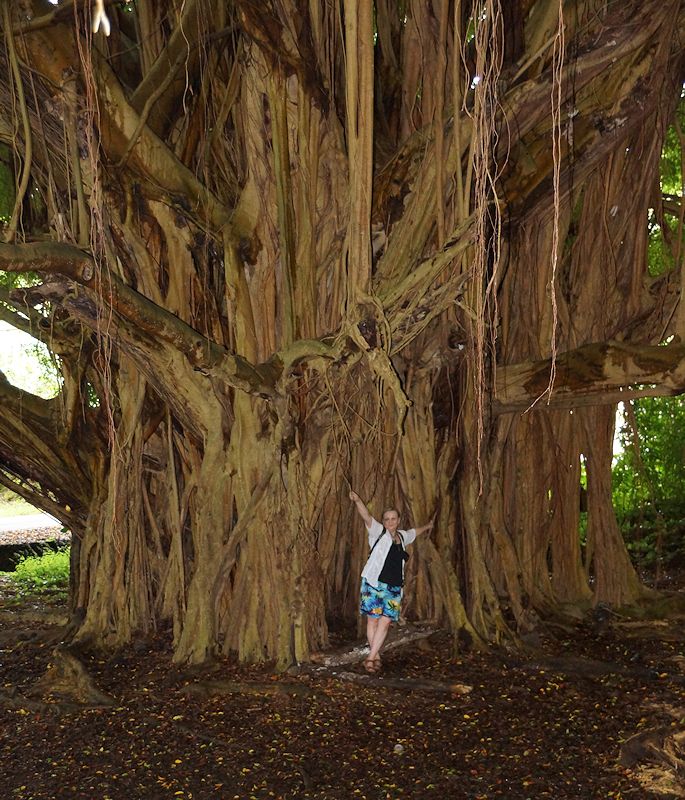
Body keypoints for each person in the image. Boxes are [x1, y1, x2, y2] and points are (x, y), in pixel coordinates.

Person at [349, 490, 434, 673]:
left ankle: (371, 656)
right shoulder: (378, 532)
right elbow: (366, 516)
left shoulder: (402, 537)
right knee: (373, 621)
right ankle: (374, 657)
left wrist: (427, 526)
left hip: (394, 587)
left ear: (398, 520)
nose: (390, 522)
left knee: (386, 622)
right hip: (374, 583)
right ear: (383, 521)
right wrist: (357, 500)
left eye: (393, 518)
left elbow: (413, 533)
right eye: (387, 519)